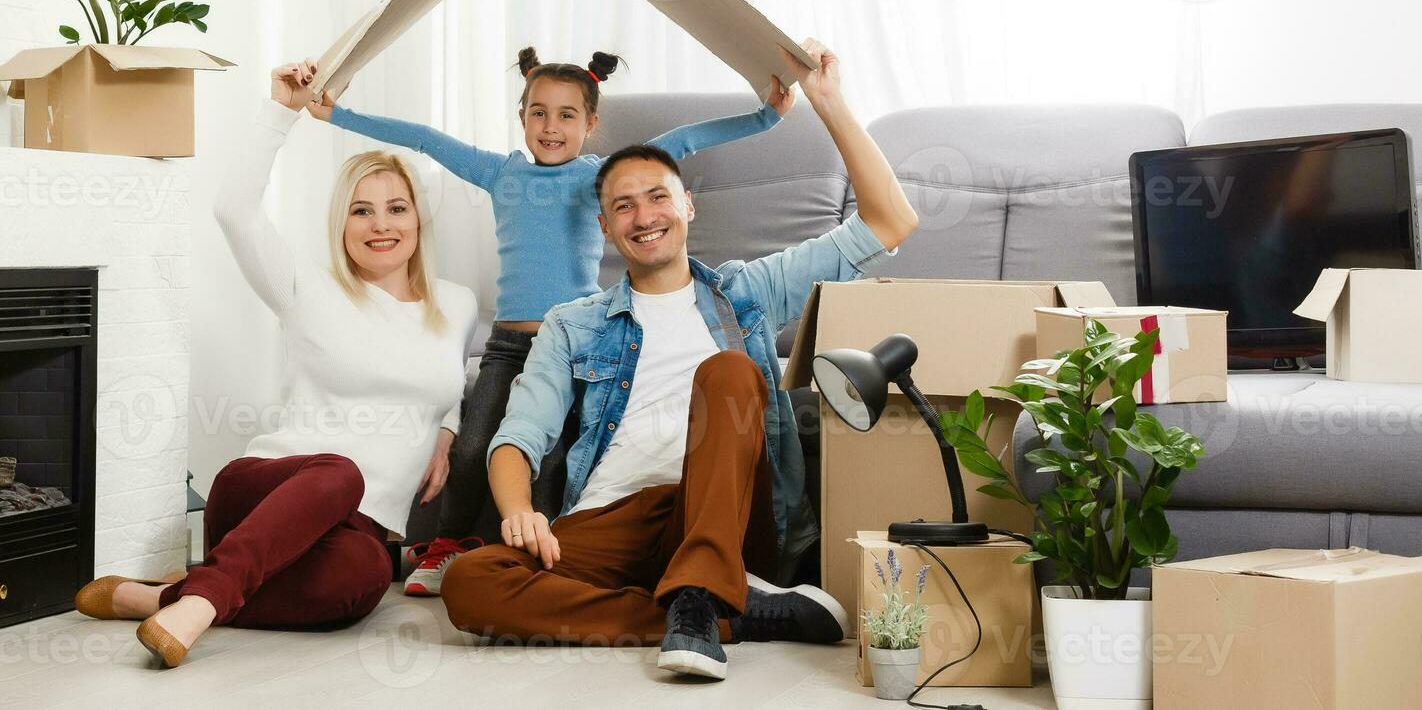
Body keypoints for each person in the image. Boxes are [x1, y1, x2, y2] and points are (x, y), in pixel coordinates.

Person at [439, 38, 919, 681]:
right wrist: (519, 511)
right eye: (623, 205)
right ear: (606, 228)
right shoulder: (571, 325)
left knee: (728, 371)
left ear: (688, 205)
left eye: (658, 196)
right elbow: (518, 436)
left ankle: (700, 587)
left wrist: (828, 102)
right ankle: (721, 612)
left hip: (723, 513)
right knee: (471, 582)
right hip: (614, 519)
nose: (644, 216)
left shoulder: (747, 292)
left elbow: (890, 222)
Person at [311, 47, 794, 596]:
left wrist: (767, 116)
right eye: (537, 112)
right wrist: (335, 114)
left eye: (567, 115)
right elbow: (423, 138)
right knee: (472, 448)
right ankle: (449, 544)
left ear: (590, 124)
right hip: (508, 347)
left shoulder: (600, 179)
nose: (550, 125)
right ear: (521, 118)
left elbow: (683, 141)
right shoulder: (501, 174)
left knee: (556, 454)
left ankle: (537, 551)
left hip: (579, 350)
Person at [73, 62, 477, 668]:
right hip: (262, 492)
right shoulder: (306, 288)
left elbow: (448, 374)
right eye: (361, 211)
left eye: (397, 208)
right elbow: (234, 209)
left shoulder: (457, 302)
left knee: (360, 585)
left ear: (419, 218)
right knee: (341, 471)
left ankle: (163, 597)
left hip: (358, 530)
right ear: (341, 224)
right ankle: (200, 603)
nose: (381, 225)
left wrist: (445, 429)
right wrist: (280, 112)